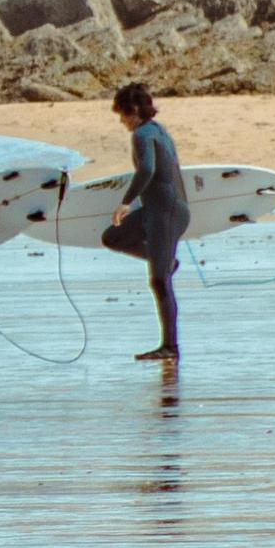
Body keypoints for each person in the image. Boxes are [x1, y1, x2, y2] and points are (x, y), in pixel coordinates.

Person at [103, 81, 188, 362]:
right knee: (112, 237)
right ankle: (165, 261)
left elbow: (148, 170)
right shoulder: (158, 130)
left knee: (159, 281)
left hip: (166, 212)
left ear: (135, 110)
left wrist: (126, 202)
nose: (122, 121)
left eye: (123, 114)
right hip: (160, 210)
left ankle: (170, 347)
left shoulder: (142, 134)